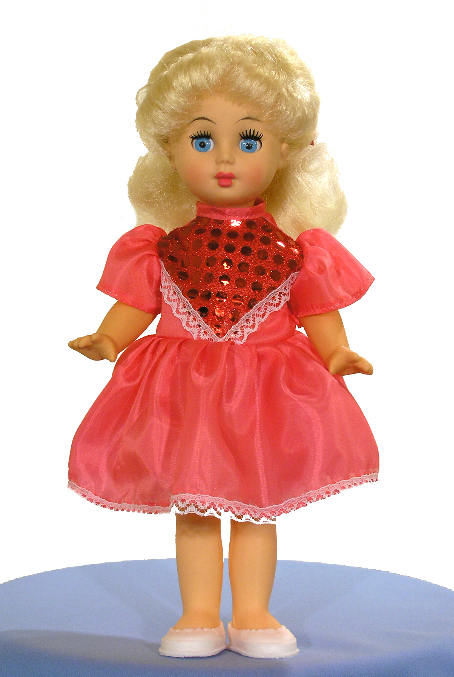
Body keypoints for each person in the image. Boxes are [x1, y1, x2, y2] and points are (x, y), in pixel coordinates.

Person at [68, 35, 378, 659]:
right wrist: (108, 337)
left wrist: (337, 353)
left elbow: (317, 311)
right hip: (183, 393)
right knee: (194, 508)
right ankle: (199, 614)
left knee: (258, 506)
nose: (225, 158)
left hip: (263, 392)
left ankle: (255, 613)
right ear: (169, 150)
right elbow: (138, 304)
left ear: (286, 149)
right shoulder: (158, 248)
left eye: (250, 140)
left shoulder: (298, 251)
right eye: (203, 140)